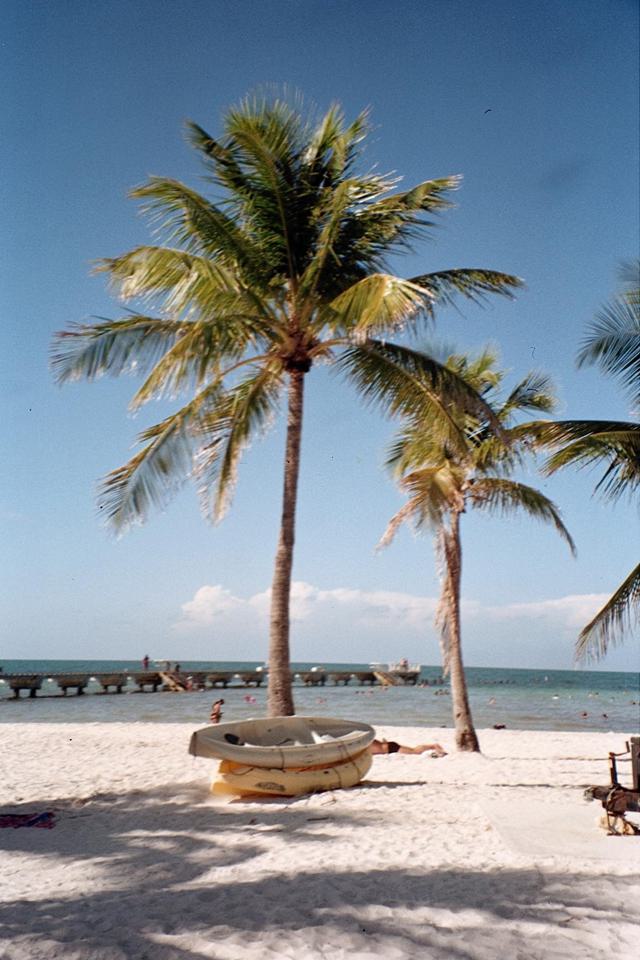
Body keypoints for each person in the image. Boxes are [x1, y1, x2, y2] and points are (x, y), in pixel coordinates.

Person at [370, 738, 446, 757]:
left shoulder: (365, 743)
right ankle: (432, 746)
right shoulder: (366, 741)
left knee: (415, 752)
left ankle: (433, 746)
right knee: (413, 750)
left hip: (391, 748)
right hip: (389, 746)